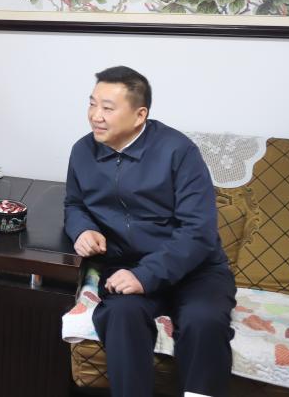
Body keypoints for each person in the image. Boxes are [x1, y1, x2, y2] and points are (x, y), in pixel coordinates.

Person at [63, 65, 235, 397]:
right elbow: (74, 204)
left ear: (139, 114)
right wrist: (82, 229)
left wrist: (147, 275)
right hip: (125, 267)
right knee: (120, 314)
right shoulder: (83, 151)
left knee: (204, 322)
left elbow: (198, 231)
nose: (95, 116)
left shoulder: (178, 151)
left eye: (108, 108)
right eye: (92, 104)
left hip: (195, 270)